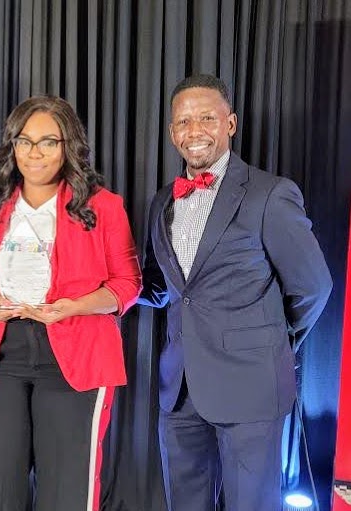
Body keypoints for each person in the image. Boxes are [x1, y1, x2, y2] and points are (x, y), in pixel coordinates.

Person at [139, 74, 332, 511]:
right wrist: (105, 290)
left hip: (251, 384)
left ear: (230, 123)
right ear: (171, 131)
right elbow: (160, 286)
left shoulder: (270, 194)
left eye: (206, 118)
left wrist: (273, 342)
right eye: (183, 121)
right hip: (181, 388)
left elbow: (313, 286)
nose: (194, 130)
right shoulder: (162, 202)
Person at [0, 95, 142, 510]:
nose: (34, 153)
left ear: (67, 146)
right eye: (24, 141)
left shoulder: (103, 207)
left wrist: (74, 307)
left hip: (76, 356)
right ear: (12, 146)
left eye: (48, 142)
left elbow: (128, 284)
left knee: (66, 493)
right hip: (2, 355)